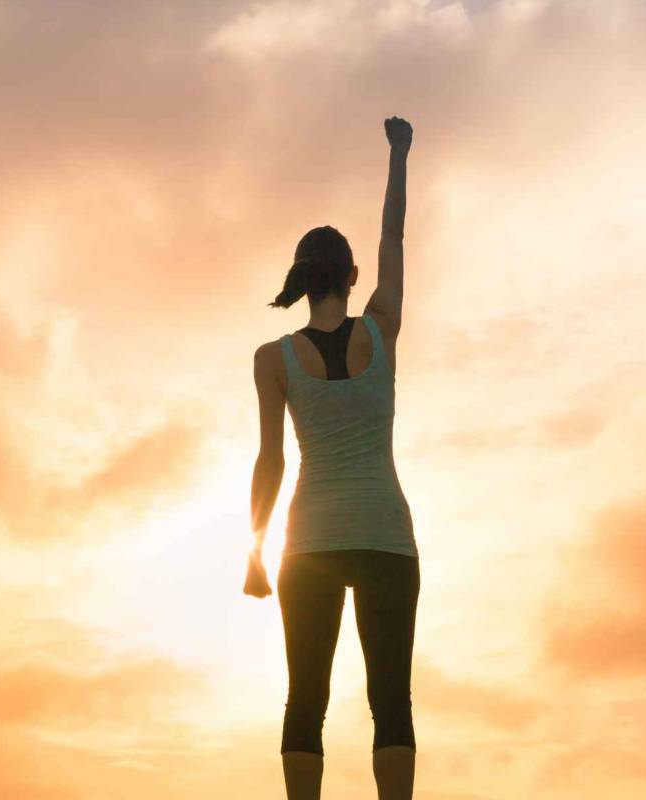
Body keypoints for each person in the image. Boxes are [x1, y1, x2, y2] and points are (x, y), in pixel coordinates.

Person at [247, 116, 417, 800]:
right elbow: (393, 238)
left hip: (309, 542)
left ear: (303, 279)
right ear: (351, 277)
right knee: (392, 701)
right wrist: (399, 154)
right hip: (386, 536)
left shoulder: (273, 358)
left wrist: (254, 552)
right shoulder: (382, 327)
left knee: (305, 701)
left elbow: (271, 462)